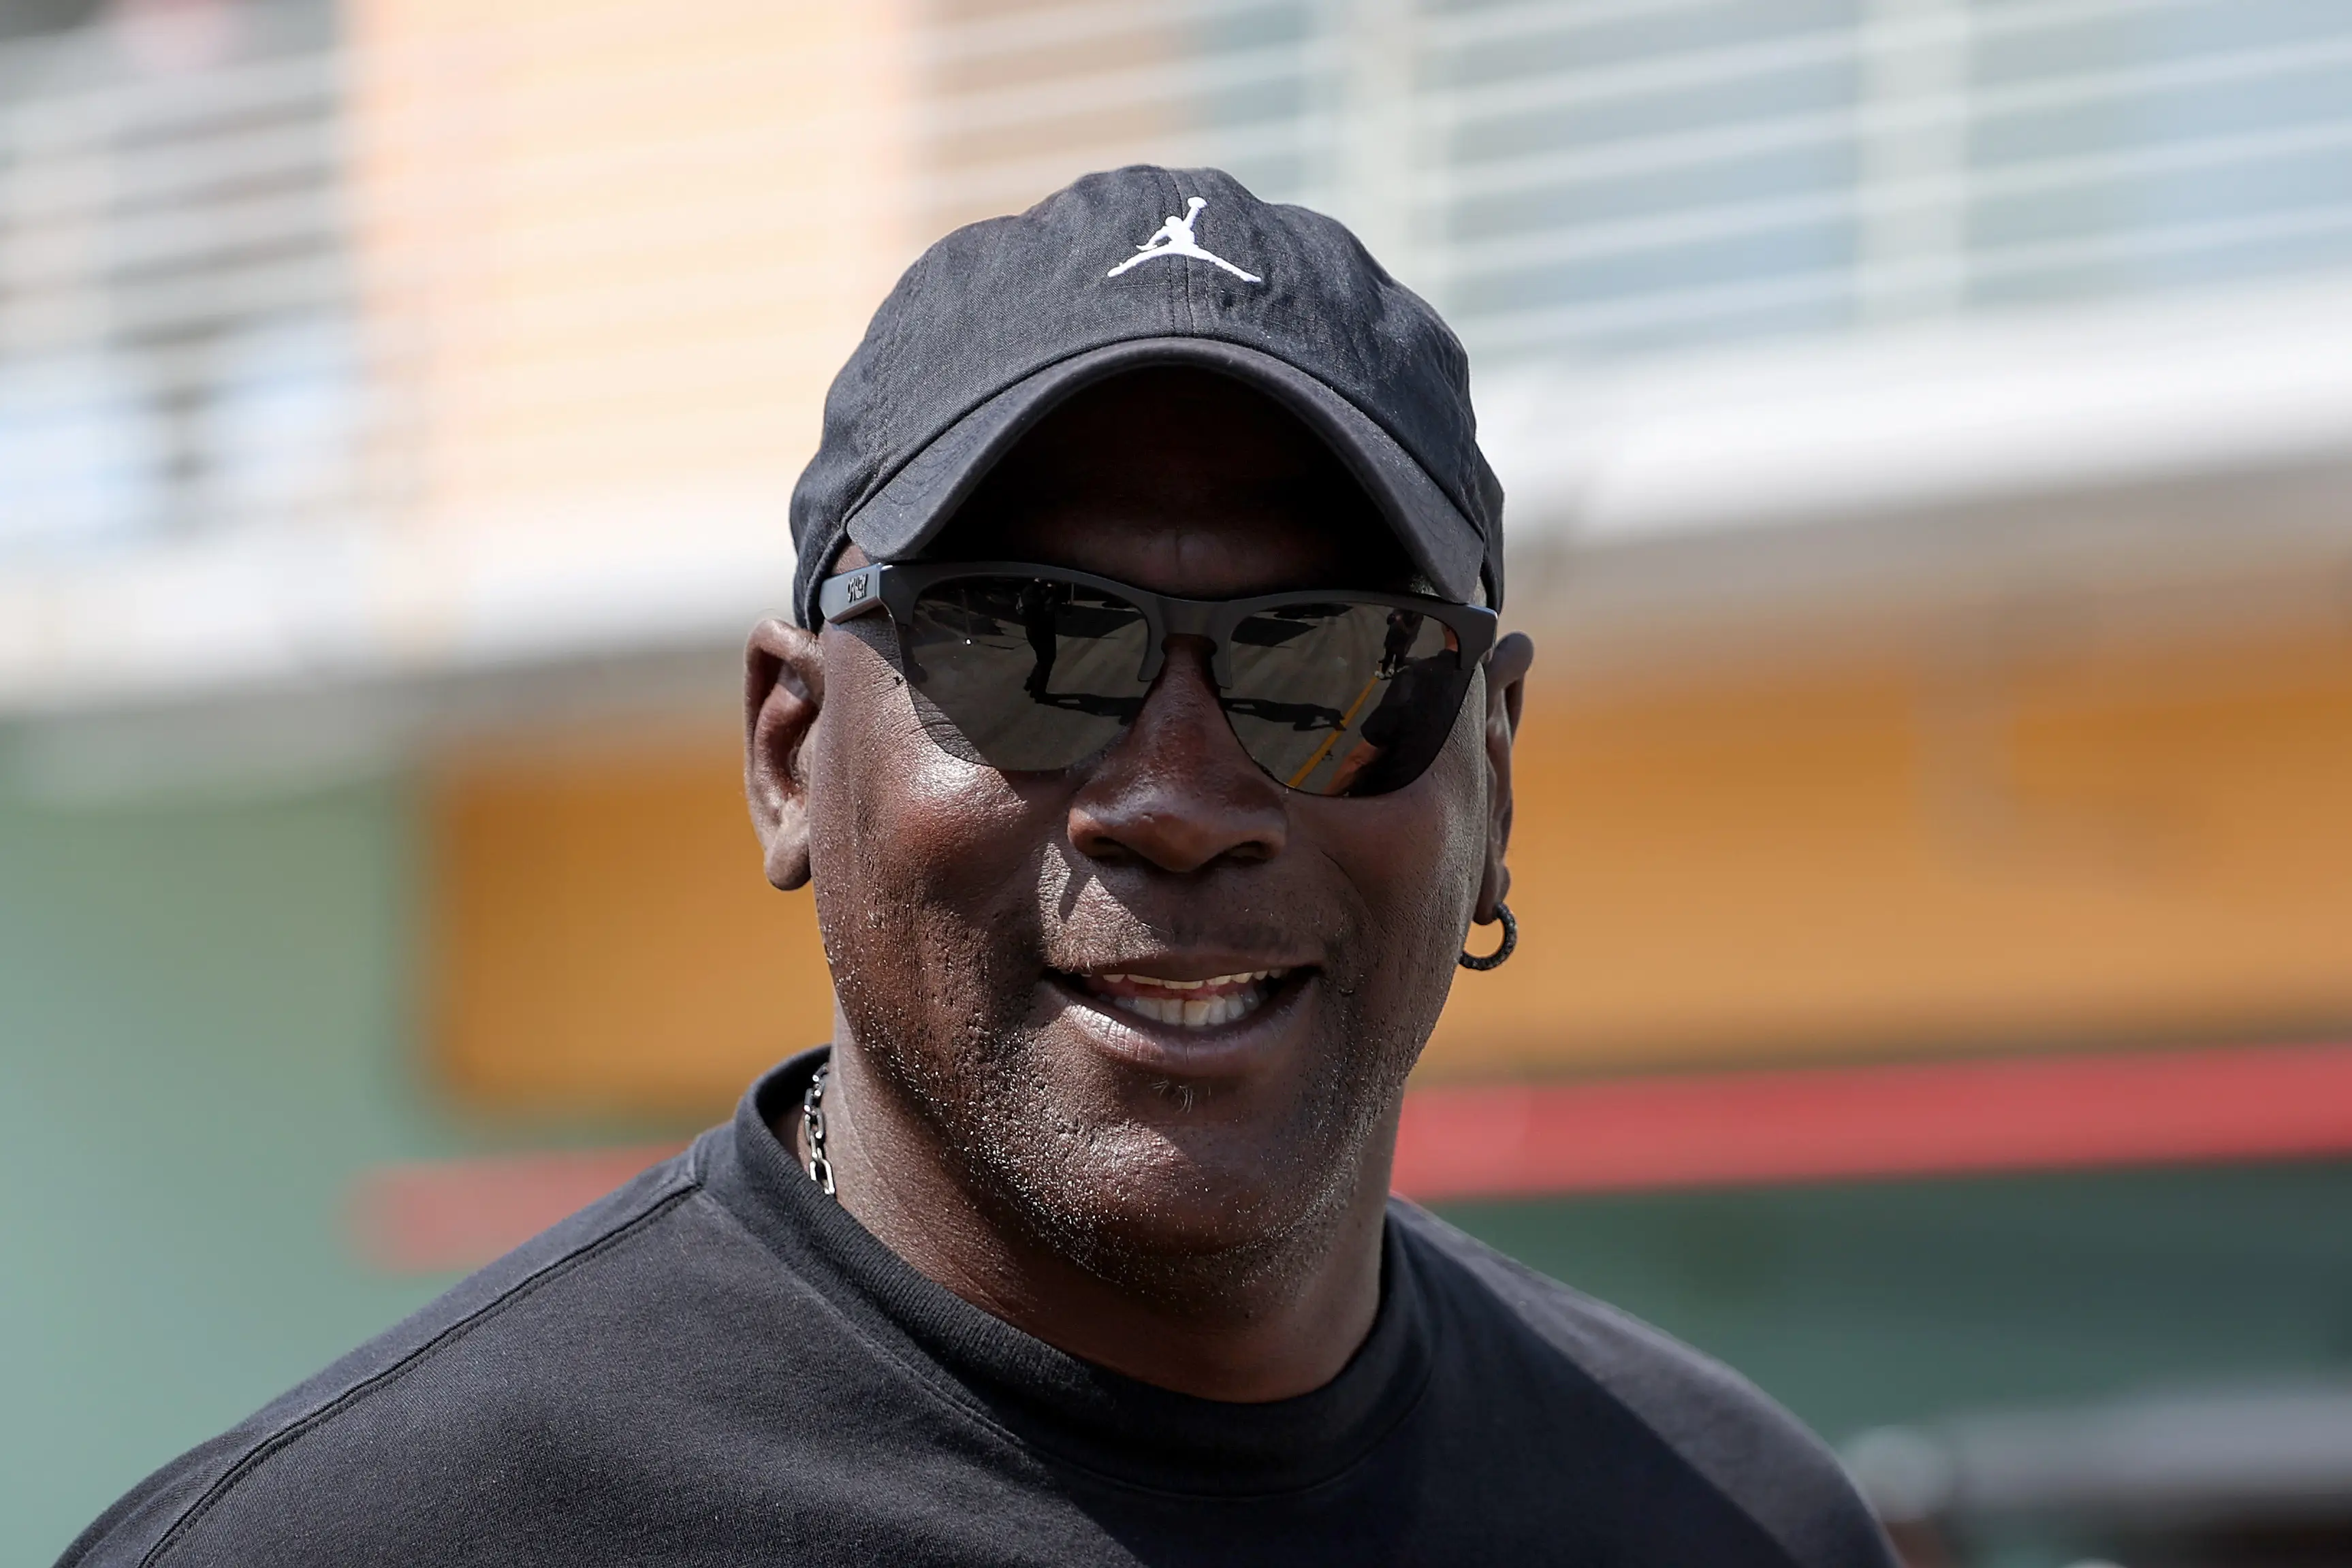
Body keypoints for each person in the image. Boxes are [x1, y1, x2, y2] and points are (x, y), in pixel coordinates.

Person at [61, 166, 1896, 1567]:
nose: (1178, 795)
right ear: (791, 754)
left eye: (1324, 664)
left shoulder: (1728, 1517)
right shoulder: (366, 1536)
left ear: (1487, 773)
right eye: (1027, 645)